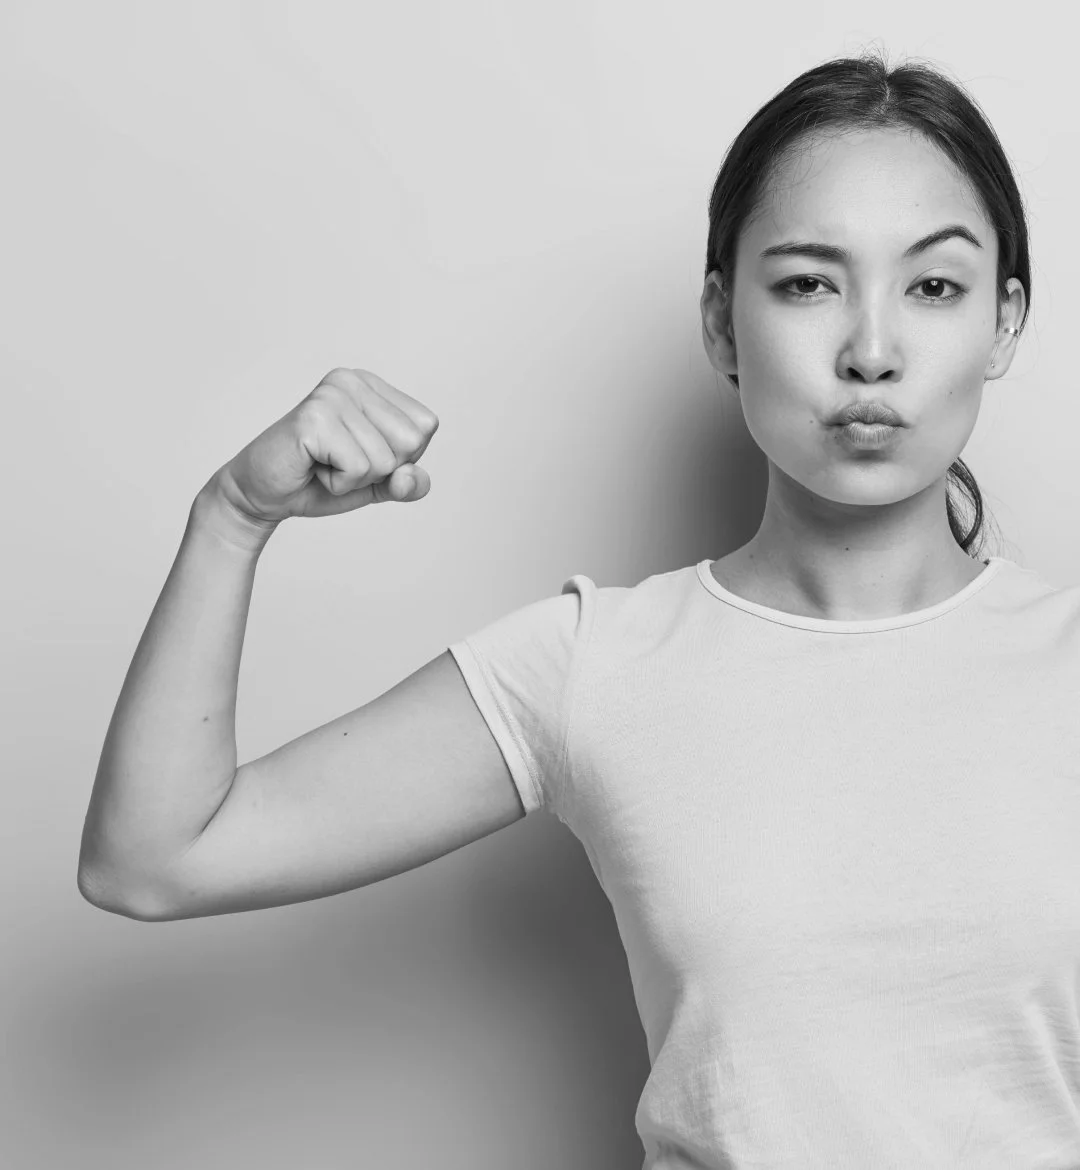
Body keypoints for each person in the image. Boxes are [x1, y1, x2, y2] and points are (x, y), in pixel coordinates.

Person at [77, 47, 1080, 1169]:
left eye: (933, 287)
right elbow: (152, 858)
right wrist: (230, 518)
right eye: (807, 282)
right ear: (720, 324)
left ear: (1004, 321)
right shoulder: (596, 666)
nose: (873, 352)